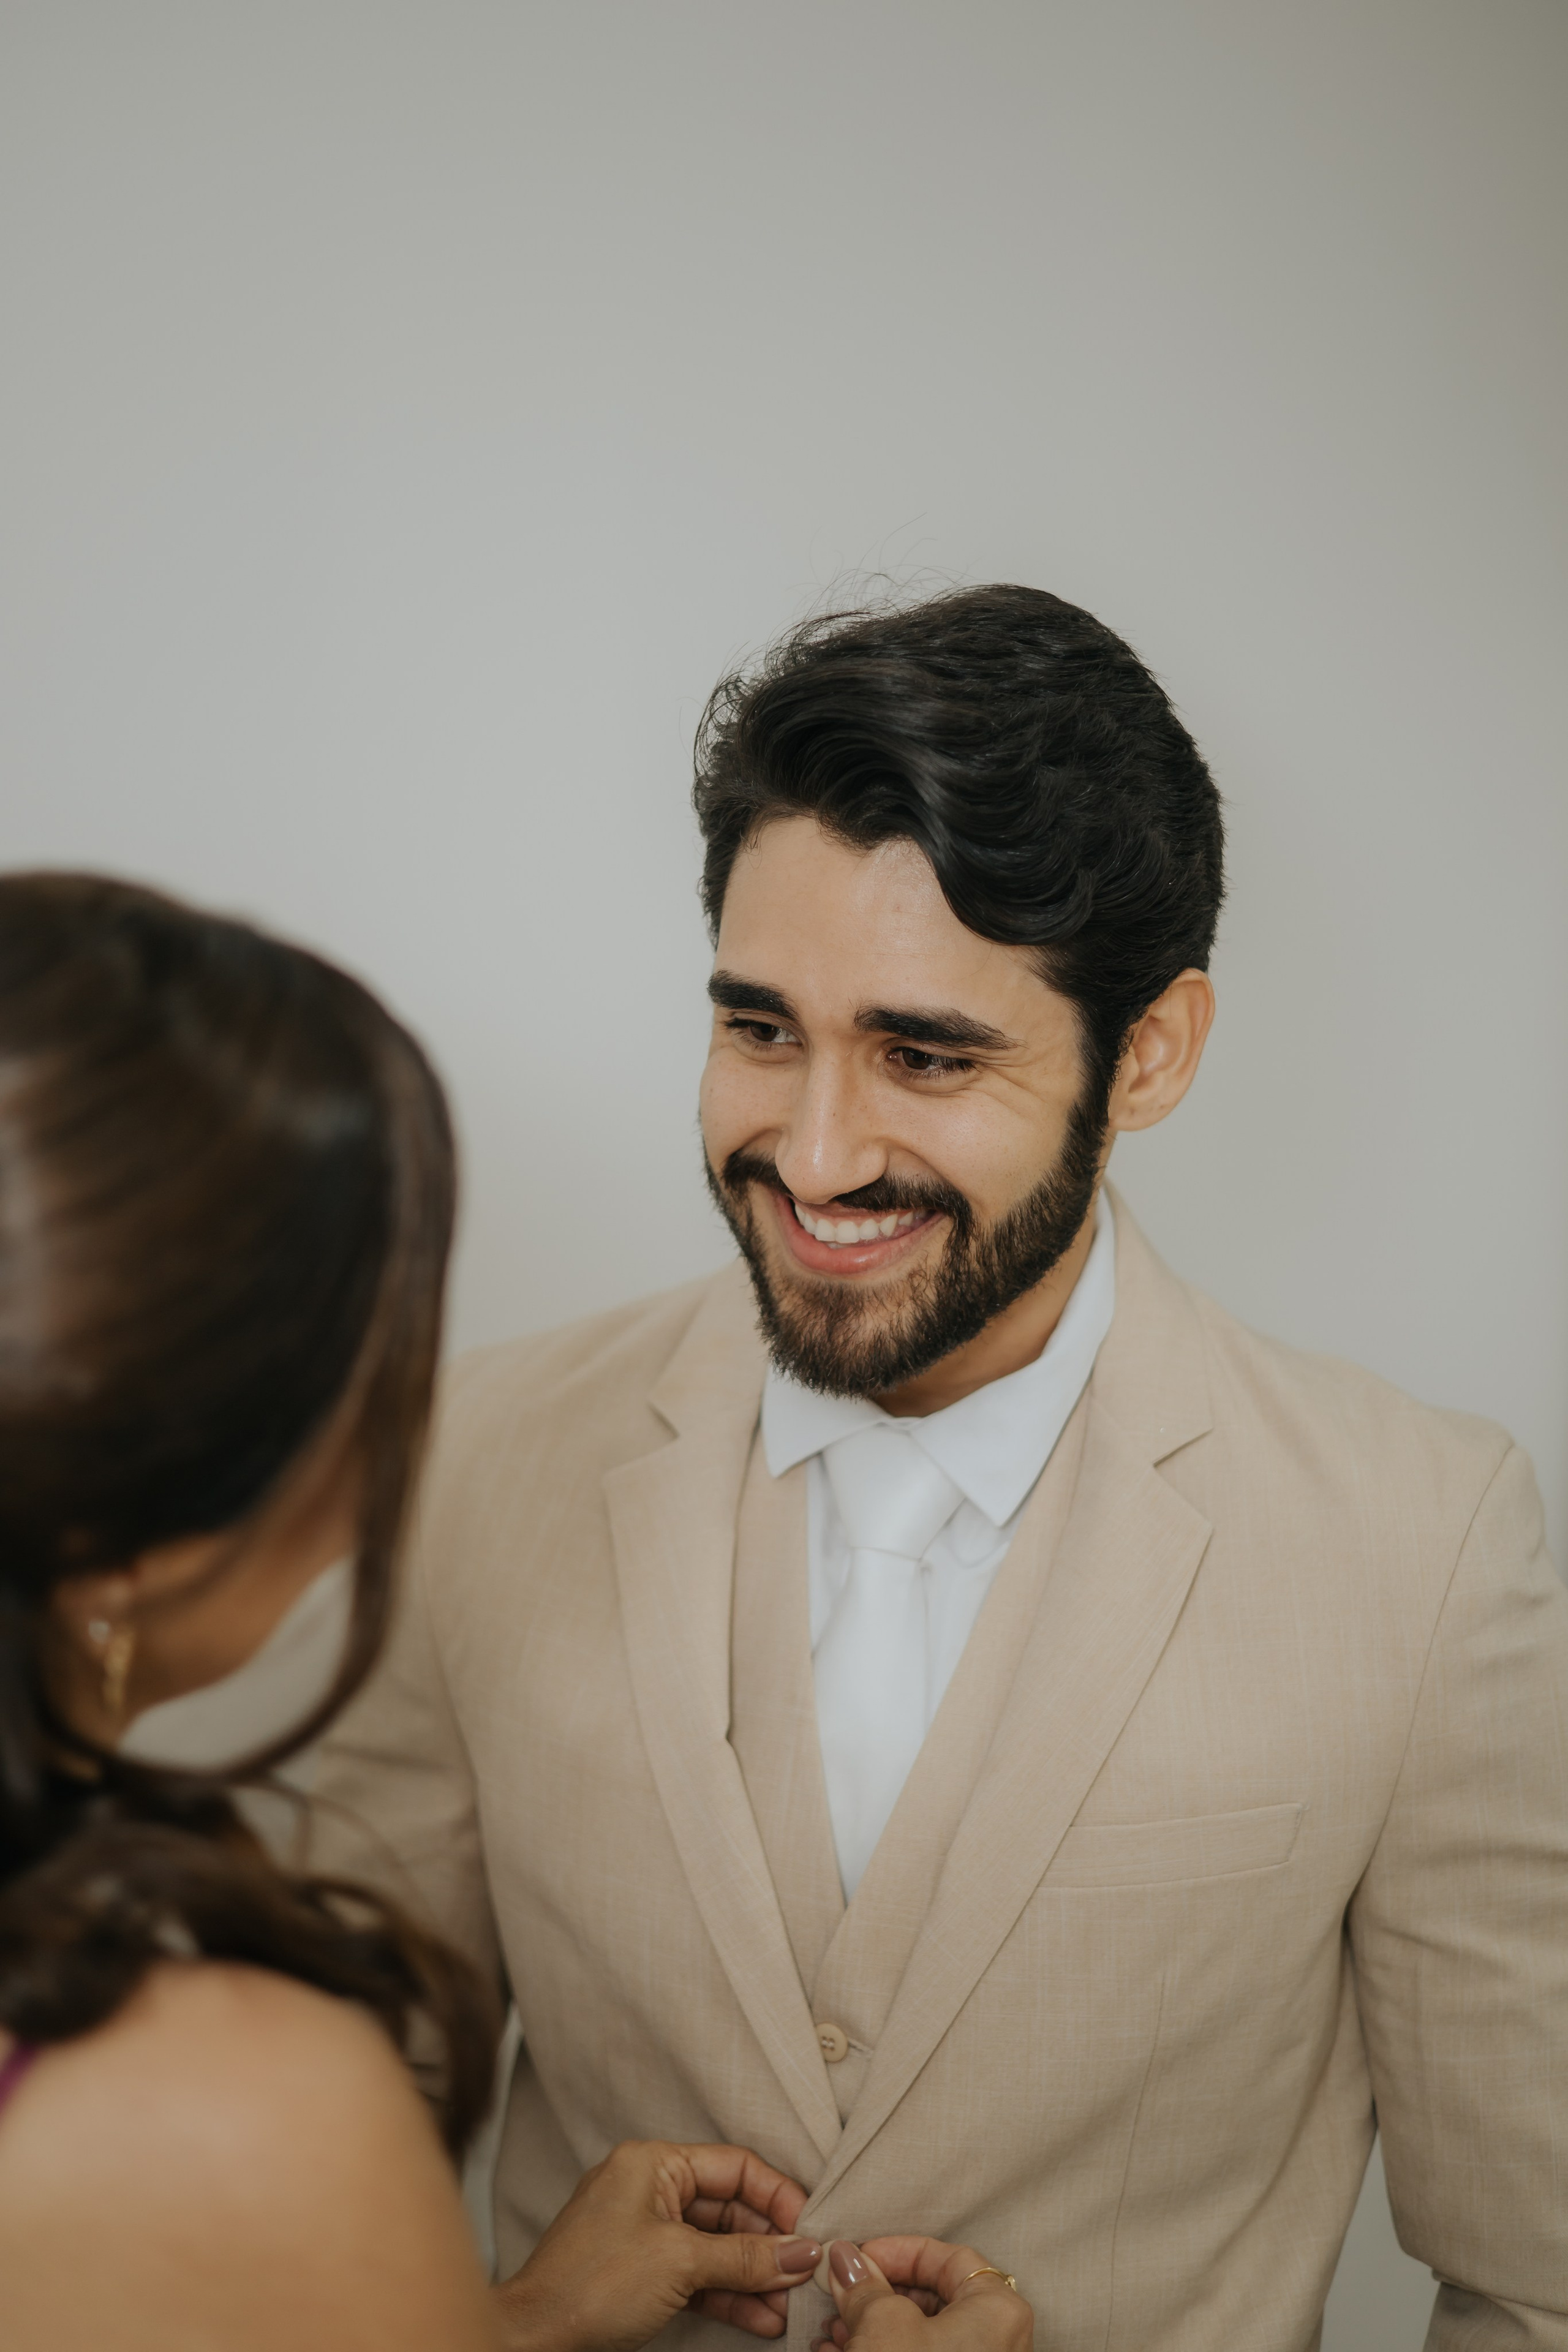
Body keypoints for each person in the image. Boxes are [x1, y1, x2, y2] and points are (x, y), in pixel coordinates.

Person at [313, 583, 1568, 2352]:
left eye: (924, 1053)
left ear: (1151, 1052)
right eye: (762, 1028)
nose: (814, 1153)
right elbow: (299, 2170)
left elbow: (1535, 2285)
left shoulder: (1425, 1544)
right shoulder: (476, 1461)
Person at [0, 872, 954, 2352]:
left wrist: (494, 2328)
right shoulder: (245, 2110)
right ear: (132, 1540)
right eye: (371, 1373)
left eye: (926, 1053)